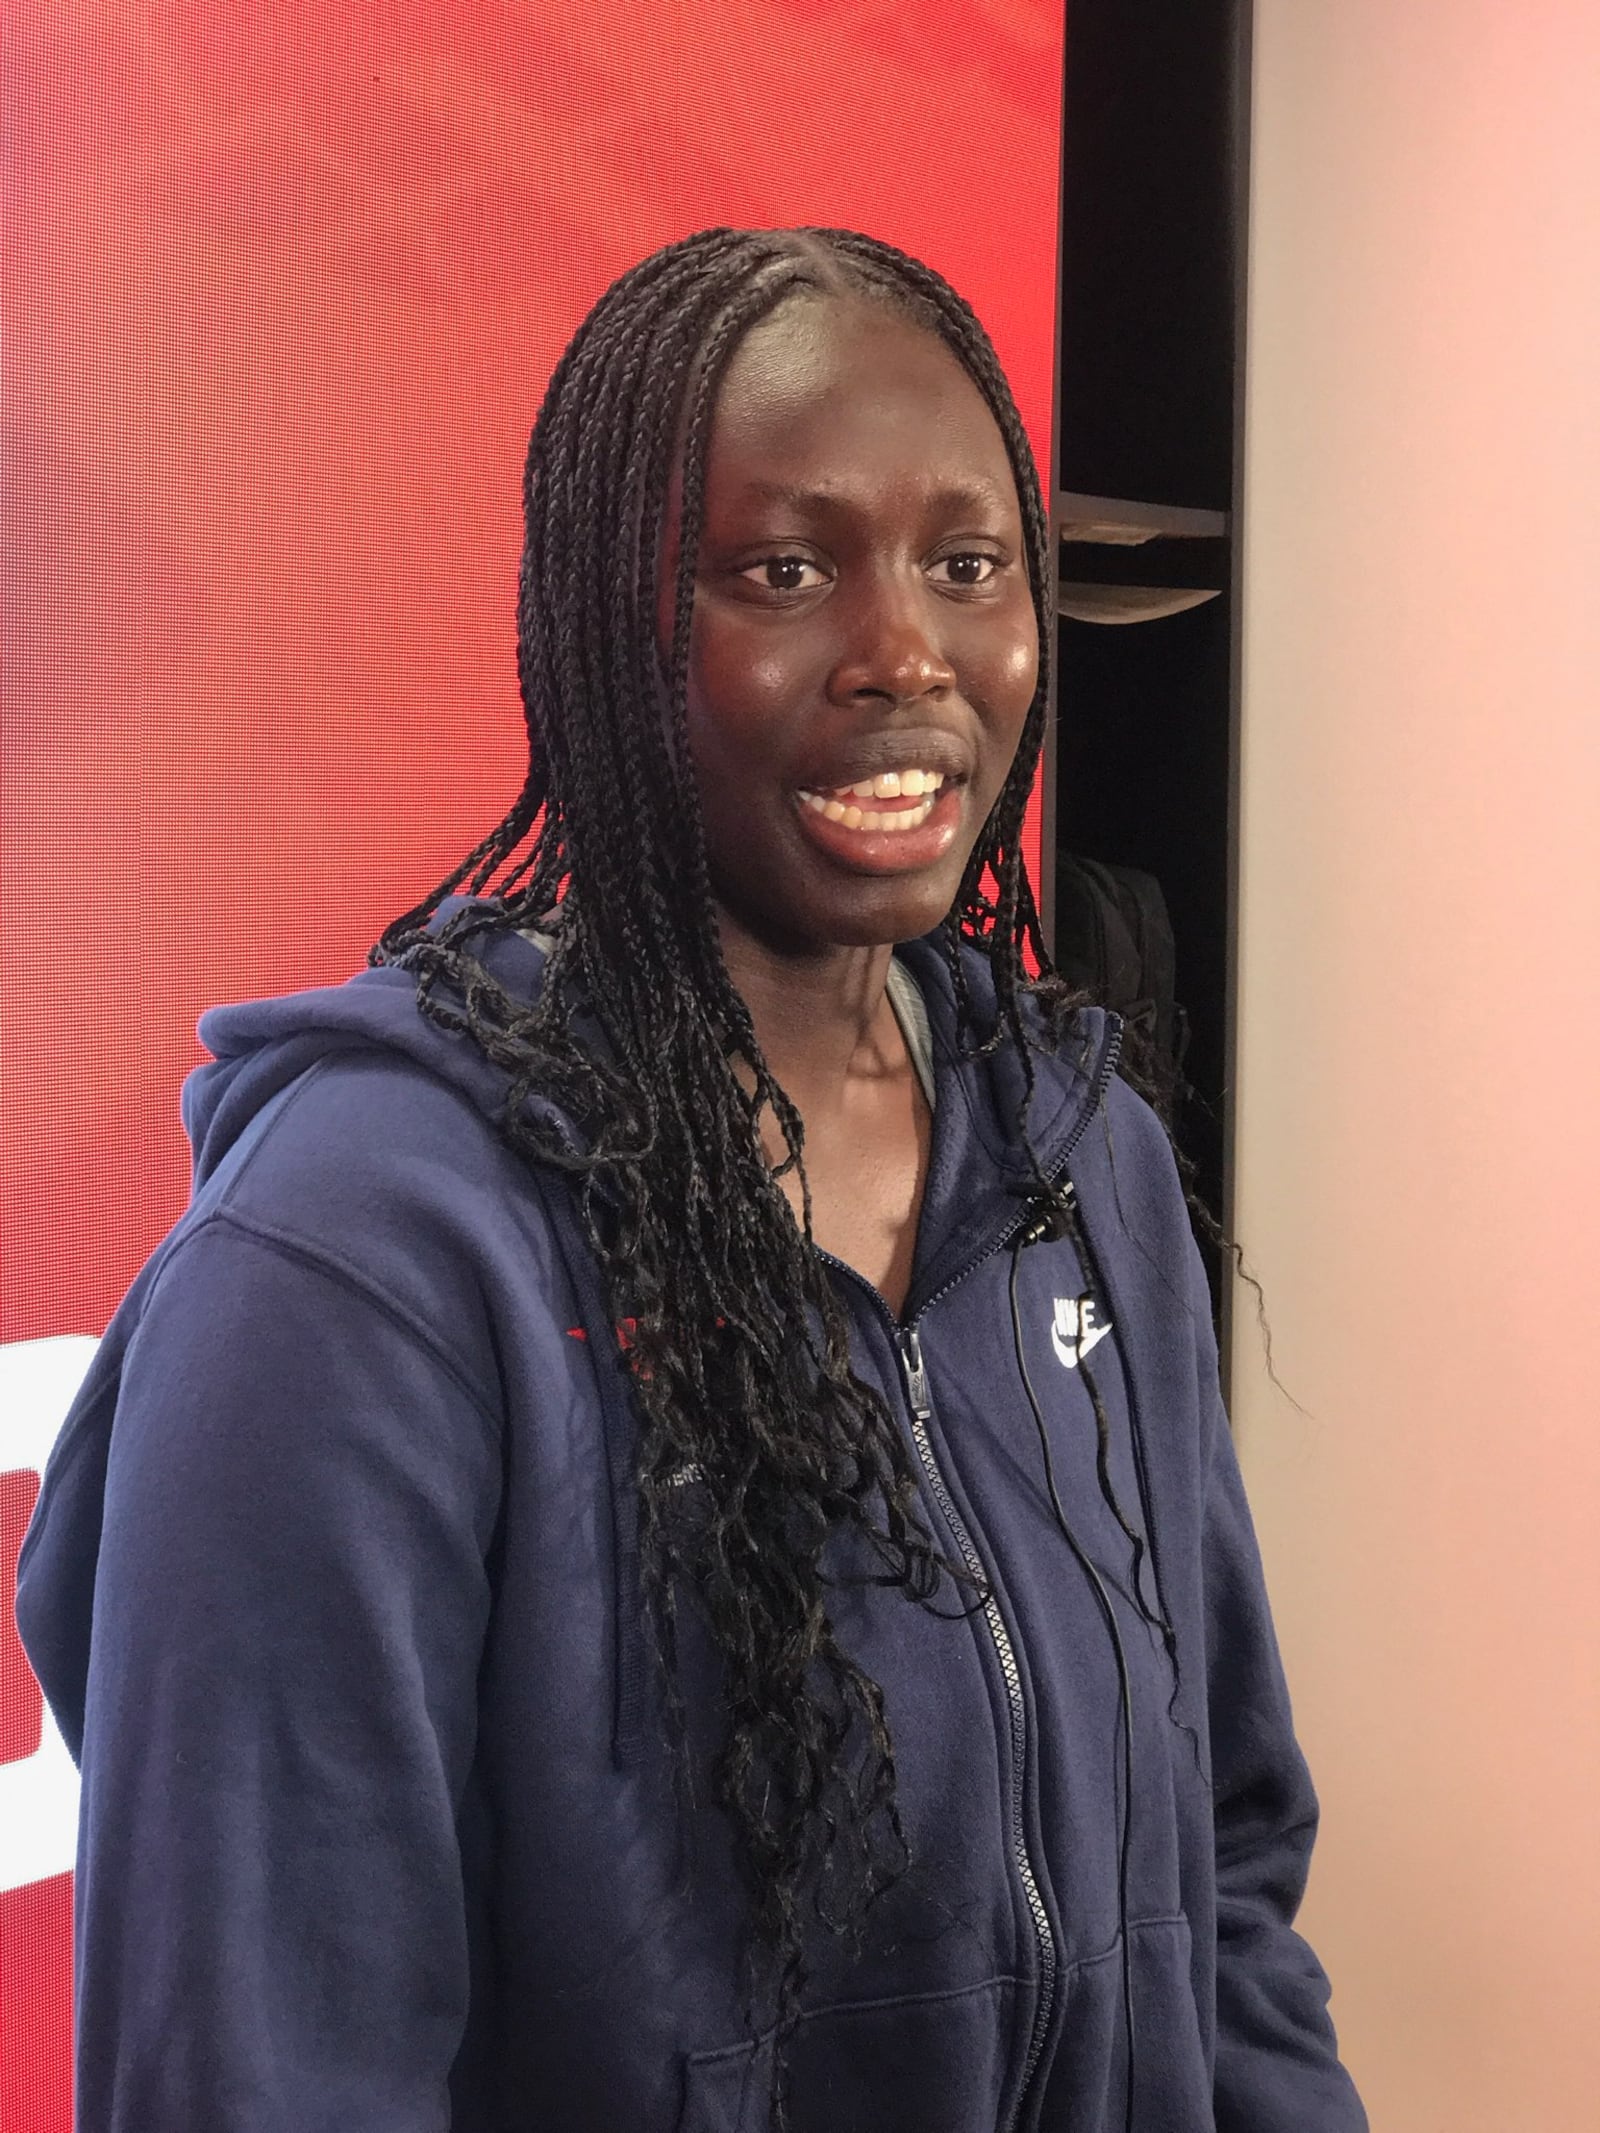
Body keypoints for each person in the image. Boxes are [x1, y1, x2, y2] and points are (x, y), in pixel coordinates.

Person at [17, 227, 1366, 2132]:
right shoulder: (364, 1258)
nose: (906, 652)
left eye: (969, 565)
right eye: (785, 571)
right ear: (609, 630)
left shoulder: (1079, 1157)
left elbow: (1222, 1880)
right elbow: (259, 2066)